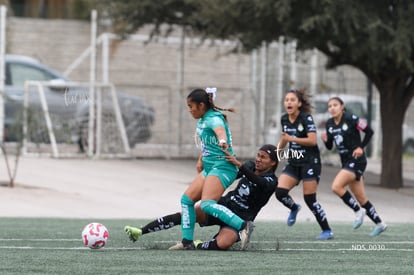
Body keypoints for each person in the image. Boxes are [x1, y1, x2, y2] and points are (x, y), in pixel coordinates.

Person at [124, 144, 278, 250]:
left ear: (272, 163)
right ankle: (141, 231)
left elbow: (258, 182)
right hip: (223, 206)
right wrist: (209, 172)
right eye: (258, 155)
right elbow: (227, 176)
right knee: (187, 214)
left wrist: (239, 165)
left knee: (224, 243)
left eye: (263, 157)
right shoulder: (250, 166)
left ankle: (198, 244)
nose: (258, 159)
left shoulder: (272, 181)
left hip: (240, 218)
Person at [169, 87, 253, 250]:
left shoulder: (214, 119)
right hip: (210, 167)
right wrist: (201, 159)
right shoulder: (203, 118)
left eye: (191, 106)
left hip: (223, 166)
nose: (189, 110)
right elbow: (209, 142)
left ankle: (243, 226)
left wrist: (223, 141)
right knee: (186, 200)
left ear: (201, 105)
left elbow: (220, 132)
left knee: (207, 204)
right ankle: (187, 242)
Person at [321, 96, 387, 236]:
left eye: (335, 105)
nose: (332, 108)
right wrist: (326, 140)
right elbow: (330, 146)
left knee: (336, 186)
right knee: (361, 197)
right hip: (346, 162)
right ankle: (380, 224)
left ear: (342, 107)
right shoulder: (329, 124)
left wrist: (361, 147)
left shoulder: (351, 118)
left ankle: (358, 211)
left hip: (357, 159)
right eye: (330, 106)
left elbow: (369, 131)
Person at [274, 89, 334, 240]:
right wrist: (276, 153)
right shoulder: (284, 119)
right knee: (280, 192)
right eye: (286, 99)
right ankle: (294, 207)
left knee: (309, 199)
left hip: (310, 162)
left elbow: (312, 140)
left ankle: (327, 230)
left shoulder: (306, 118)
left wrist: (291, 139)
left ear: (299, 104)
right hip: (294, 160)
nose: (289, 102)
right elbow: (284, 138)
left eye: (292, 100)